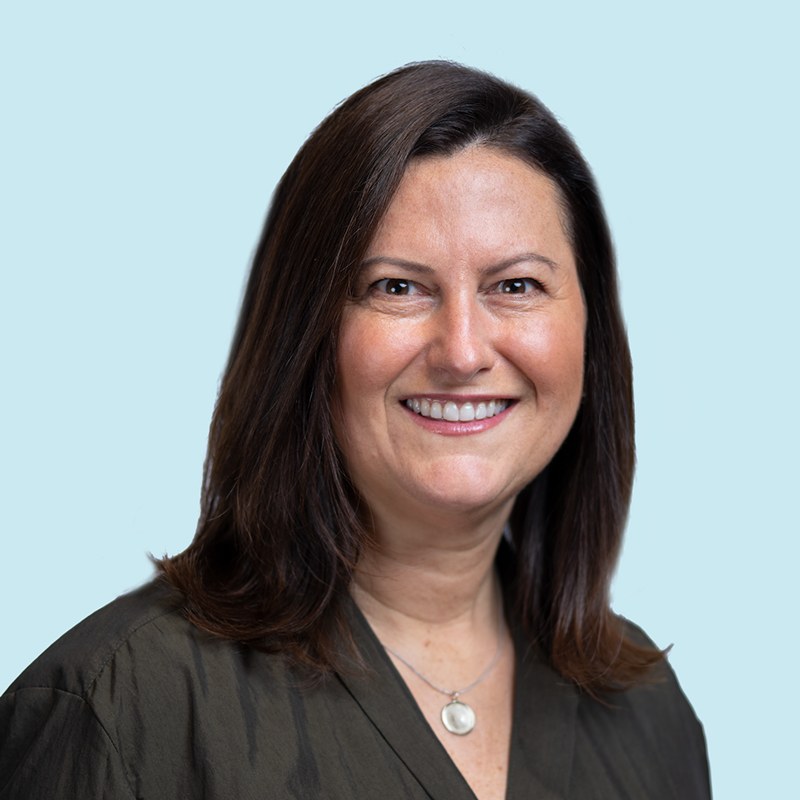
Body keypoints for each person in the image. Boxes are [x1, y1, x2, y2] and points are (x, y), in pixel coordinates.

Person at [0, 61, 710, 799]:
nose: (463, 352)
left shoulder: (648, 714)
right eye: (396, 287)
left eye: (516, 285)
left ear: (591, 331)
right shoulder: (119, 709)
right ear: (304, 332)